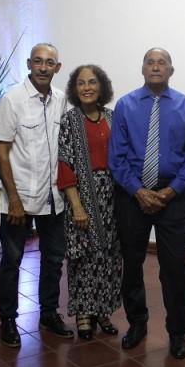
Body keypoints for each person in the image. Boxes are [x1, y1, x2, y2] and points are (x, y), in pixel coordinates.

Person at [108, 47, 185, 359]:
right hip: (132, 196)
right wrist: (138, 191)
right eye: (150, 62)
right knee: (132, 263)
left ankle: (177, 332)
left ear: (171, 71)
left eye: (162, 63)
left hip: (173, 198)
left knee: (175, 268)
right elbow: (117, 158)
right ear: (143, 69)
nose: (156, 67)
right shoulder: (125, 105)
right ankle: (137, 322)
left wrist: (170, 191)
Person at [0, 43, 72, 348]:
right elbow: (1, 150)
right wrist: (13, 199)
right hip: (20, 199)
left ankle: (49, 314)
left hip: (54, 198)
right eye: (38, 62)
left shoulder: (63, 101)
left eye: (49, 62)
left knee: (53, 259)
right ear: (29, 64)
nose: (43, 67)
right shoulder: (12, 101)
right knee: (12, 260)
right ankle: (7, 320)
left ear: (57, 67)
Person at [57, 65, 122, 340]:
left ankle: (102, 309)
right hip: (82, 197)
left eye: (92, 82)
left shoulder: (112, 117)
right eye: (81, 83)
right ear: (75, 88)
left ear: (101, 87)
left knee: (108, 256)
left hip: (112, 198)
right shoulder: (70, 120)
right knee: (82, 257)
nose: (86, 87)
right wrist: (77, 206)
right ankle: (83, 312)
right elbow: (64, 165)